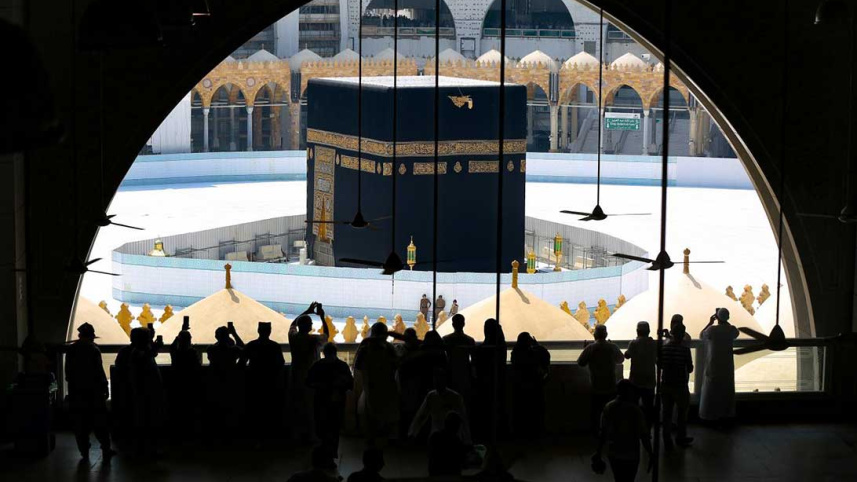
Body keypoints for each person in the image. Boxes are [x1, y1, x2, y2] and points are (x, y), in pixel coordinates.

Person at [65, 323, 115, 460]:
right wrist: (104, 387)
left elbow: (68, 374)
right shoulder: (94, 350)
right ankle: (105, 449)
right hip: (94, 393)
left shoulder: (71, 350)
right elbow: (99, 371)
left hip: (76, 393)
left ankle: (84, 452)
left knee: (80, 424)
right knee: (100, 422)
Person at [594, 380, 653, 482]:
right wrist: (650, 453)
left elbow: (603, 432)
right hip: (631, 453)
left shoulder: (609, 407)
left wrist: (598, 452)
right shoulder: (635, 410)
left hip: (614, 452)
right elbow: (644, 435)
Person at [289, 302, 331, 440]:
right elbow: (327, 335)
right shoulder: (313, 340)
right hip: (311, 377)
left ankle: (296, 434)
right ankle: (312, 434)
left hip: (296, 375)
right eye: (311, 323)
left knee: (297, 405)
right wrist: (322, 317)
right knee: (311, 407)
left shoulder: (294, 338)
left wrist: (306, 311)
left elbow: (292, 325)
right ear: (308, 327)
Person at [306, 343, 354, 464]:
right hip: (337, 401)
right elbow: (350, 384)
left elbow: (308, 382)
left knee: (321, 429)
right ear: (335, 352)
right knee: (334, 430)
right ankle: (331, 456)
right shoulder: (342, 366)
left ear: (323, 353)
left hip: (321, 401)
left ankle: (322, 455)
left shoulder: (317, 365)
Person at [240, 321, 286, 442]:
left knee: (255, 411)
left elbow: (241, 363)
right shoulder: (275, 347)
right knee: (269, 411)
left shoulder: (251, 345)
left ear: (258, 331)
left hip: (254, 383)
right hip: (270, 383)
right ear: (269, 331)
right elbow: (280, 364)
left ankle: (255, 437)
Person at [353, 323, 399, 442]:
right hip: (386, 386)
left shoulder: (365, 347)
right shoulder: (389, 348)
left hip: (370, 386)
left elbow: (357, 367)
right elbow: (397, 364)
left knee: (371, 414)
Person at [578, 324, 624, 434]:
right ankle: (610, 433)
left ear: (595, 335)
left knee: (596, 412)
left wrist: (585, 350)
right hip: (611, 385)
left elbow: (581, 362)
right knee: (611, 412)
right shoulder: (612, 347)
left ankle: (596, 434)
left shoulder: (591, 348)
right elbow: (620, 359)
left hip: (596, 386)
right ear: (606, 334)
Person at [699, 307, 739, 423]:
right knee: (726, 390)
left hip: (713, 365)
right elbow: (735, 333)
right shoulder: (732, 330)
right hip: (727, 366)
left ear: (717, 317)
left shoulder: (712, 330)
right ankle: (726, 415)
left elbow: (702, 336)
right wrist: (724, 320)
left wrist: (710, 322)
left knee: (712, 391)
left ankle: (710, 416)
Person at [408, 368, 470, 443]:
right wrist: (412, 432)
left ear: (445, 380)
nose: (437, 382)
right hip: (436, 437)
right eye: (435, 380)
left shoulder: (455, 397)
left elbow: (463, 419)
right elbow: (421, 416)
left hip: (452, 438)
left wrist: (467, 441)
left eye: (439, 379)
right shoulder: (431, 396)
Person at [471, 318, 507, 441]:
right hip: (497, 380)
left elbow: (479, 357)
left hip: (485, 382)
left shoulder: (486, 347)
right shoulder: (501, 345)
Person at [660, 322, 694, 449]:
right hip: (680, 384)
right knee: (681, 412)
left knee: (667, 413)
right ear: (683, 335)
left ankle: (666, 439)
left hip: (666, 384)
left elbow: (660, 364)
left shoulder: (664, 348)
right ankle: (681, 437)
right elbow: (690, 368)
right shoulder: (685, 349)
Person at [510, 332, 550, 438]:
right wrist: (536, 344)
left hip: (520, 387)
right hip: (535, 387)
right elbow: (546, 356)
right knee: (536, 413)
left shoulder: (515, 354)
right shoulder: (535, 353)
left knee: (521, 413)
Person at [168, 328, 201, 439]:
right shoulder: (193, 352)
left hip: (177, 384)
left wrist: (179, 334)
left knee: (178, 411)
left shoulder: (175, 352)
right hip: (190, 385)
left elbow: (172, 346)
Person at [624, 321, 656, 426]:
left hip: (635, 380)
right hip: (650, 379)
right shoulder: (653, 343)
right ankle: (647, 429)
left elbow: (627, 355)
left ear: (638, 331)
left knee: (634, 405)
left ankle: (634, 426)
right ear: (649, 331)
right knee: (649, 406)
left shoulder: (634, 343)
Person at [442, 314, 476, 405]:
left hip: (450, 372)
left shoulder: (446, 339)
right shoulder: (470, 340)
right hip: (465, 373)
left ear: (453, 324)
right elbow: (474, 361)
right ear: (463, 324)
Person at [428, 412, 471, 477]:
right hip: (452, 476)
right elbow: (464, 464)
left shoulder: (435, 437)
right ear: (456, 426)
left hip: (436, 475)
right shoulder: (457, 441)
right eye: (458, 425)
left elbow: (431, 457)